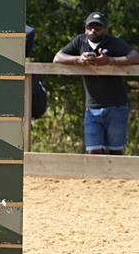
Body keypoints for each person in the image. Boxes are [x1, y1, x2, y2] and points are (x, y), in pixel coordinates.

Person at [54, 12, 139, 155]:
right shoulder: (80, 41)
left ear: (105, 29)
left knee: (116, 152)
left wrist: (110, 61)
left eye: (98, 28)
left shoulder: (113, 42)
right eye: (90, 27)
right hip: (92, 107)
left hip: (116, 106)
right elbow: (57, 57)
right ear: (85, 28)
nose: (93, 30)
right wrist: (78, 59)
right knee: (93, 151)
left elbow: (135, 56)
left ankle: (115, 178)